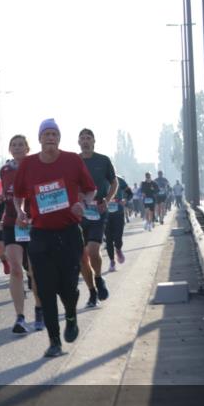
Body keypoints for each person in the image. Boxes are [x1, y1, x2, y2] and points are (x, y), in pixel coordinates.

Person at [14, 119, 97, 358]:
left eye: (54, 134)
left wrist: (84, 203)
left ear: (59, 138)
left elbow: (90, 189)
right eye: (46, 134)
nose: (50, 137)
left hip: (69, 233)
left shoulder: (72, 160)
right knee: (46, 290)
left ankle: (71, 315)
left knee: (68, 288)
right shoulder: (28, 165)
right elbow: (18, 196)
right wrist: (20, 211)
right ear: (39, 139)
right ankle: (54, 342)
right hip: (40, 235)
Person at [0, 135, 44, 333]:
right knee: (16, 269)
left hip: (34, 223)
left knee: (35, 271)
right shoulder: (5, 170)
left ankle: (40, 310)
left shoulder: (37, 166)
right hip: (11, 223)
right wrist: (2, 200)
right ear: (10, 149)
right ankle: (20, 317)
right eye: (13, 145)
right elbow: (8, 194)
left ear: (27, 148)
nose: (17, 148)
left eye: (20, 145)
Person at [78, 129, 117, 309]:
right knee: (81, 257)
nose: (85, 141)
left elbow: (114, 182)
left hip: (98, 210)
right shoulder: (74, 161)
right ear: (78, 142)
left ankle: (99, 278)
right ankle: (92, 292)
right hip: (79, 212)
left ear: (94, 141)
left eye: (88, 138)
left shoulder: (103, 160)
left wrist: (107, 201)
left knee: (93, 250)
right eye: (82, 138)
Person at [106, 175, 130, 272]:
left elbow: (130, 193)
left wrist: (125, 199)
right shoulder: (101, 179)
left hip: (119, 213)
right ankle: (112, 261)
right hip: (106, 214)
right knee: (108, 239)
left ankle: (118, 249)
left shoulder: (120, 180)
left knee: (118, 238)